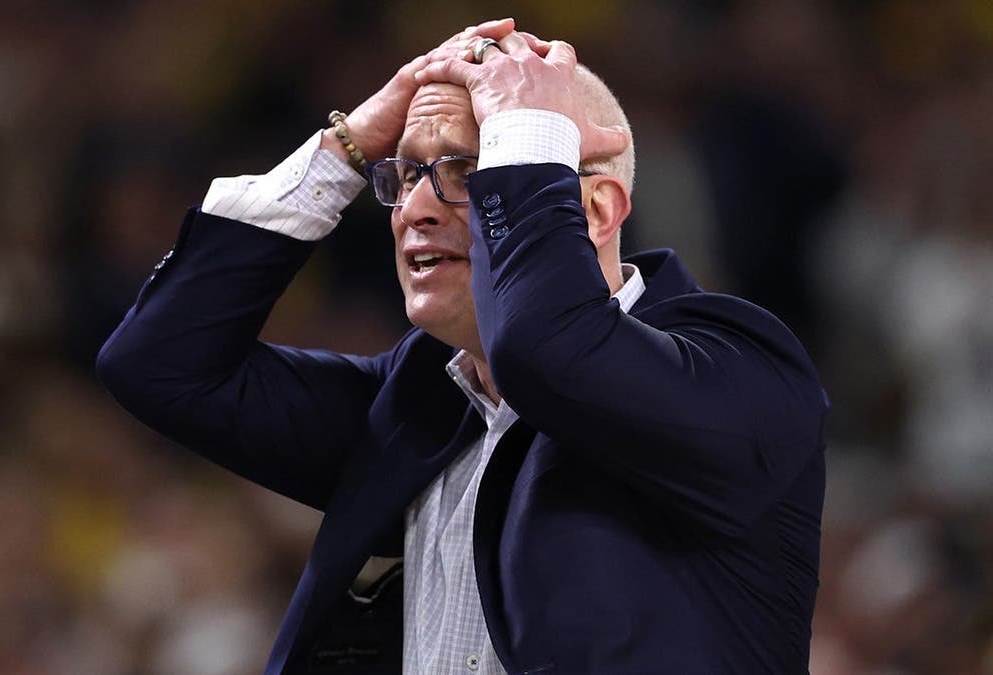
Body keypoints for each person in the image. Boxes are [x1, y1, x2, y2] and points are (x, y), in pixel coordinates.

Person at [96, 18, 828, 674]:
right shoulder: (414, 409)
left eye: (470, 171)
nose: (415, 206)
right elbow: (161, 362)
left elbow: (549, 352)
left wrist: (531, 139)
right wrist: (348, 148)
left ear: (597, 211)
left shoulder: (743, 372)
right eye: (409, 171)